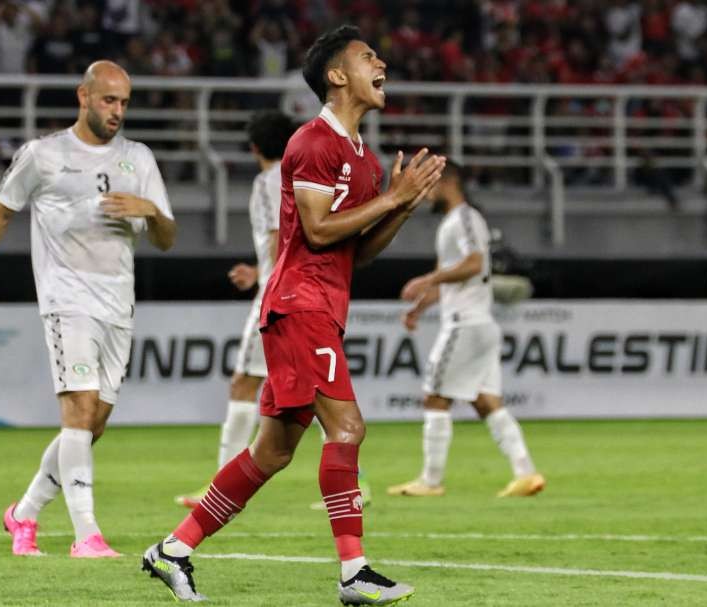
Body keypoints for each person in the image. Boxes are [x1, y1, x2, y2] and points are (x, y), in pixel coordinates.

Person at [141, 25, 445, 605]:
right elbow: (313, 229)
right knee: (348, 428)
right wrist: (391, 199)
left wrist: (400, 206)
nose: (381, 62)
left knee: (273, 452)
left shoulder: (367, 160)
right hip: (299, 303)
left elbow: (360, 249)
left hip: (323, 308)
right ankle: (354, 573)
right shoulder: (311, 142)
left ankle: (172, 551)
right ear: (336, 76)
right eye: (367, 56)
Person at [0, 61, 176, 558]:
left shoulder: (138, 159)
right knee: (77, 411)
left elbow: (166, 237)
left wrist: (151, 212)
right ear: (84, 95)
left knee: (92, 423)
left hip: (118, 305)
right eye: (108, 100)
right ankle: (87, 535)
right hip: (65, 299)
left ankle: (24, 513)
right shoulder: (45, 155)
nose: (117, 111)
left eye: (123, 103)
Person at [387, 163, 545, 499]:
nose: (426, 194)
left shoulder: (465, 218)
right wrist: (419, 308)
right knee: (486, 402)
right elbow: (454, 277)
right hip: (479, 324)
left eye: (431, 186)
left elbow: (475, 264)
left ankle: (430, 481)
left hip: (466, 324)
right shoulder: (452, 223)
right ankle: (526, 472)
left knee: (434, 395)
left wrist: (428, 279)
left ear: (449, 182)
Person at [174, 110, 296, 509]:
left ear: (254, 147)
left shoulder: (266, 183)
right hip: (309, 295)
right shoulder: (302, 180)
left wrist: (268, 279)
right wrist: (260, 268)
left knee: (243, 382)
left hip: (278, 297)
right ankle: (355, 480)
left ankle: (221, 488)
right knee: (315, 394)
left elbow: (280, 240)